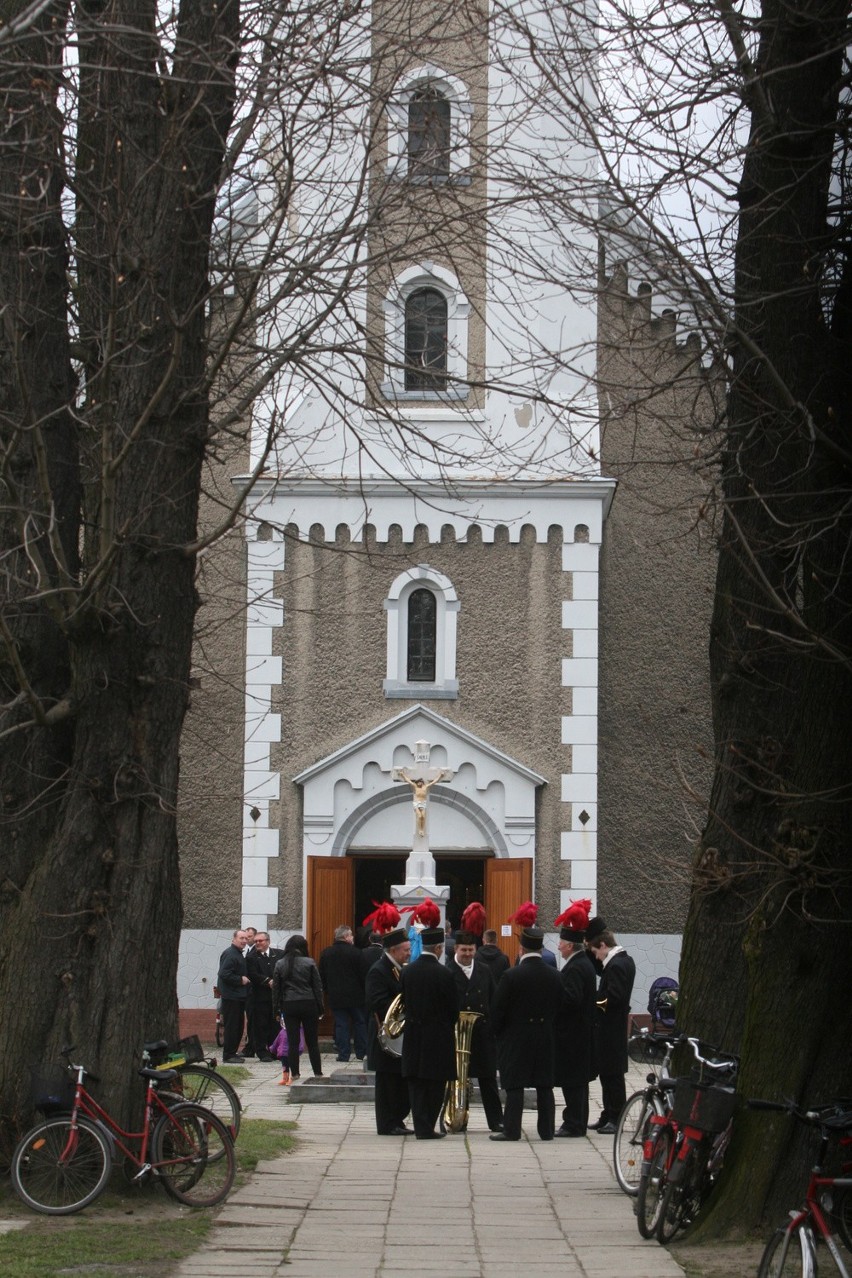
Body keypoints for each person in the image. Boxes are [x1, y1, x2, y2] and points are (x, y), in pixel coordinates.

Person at [490, 925, 563, 1142]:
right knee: (544, 1085)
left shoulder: (511, 976)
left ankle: (511, 1130)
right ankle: (547, 1130)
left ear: (521, 948)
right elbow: (561, 1006)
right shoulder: (555, 976)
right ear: (540, 948)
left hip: (516, 1036)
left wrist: (498, 1033)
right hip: (544, 1035)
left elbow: (498, 1009)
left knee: (515, 1085)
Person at [400, 926, 459, 1139]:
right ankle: (428, 1127)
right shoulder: (445, 973)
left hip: (414, 1033)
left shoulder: (407, 971)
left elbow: (403, 1002)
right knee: (435, 1083)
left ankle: (420, 1125)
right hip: (438, 1035)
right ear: (437, 948)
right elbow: (453, 1009)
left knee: (416, 1083)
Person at [585, 920, 636, 1134]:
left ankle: (616, 1116)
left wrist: (592, 1003)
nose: (596, 957)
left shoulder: (617, 965)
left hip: (612, 1029)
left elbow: (614, 997)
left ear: (604, 946)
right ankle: (608, 1114)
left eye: (596, 952)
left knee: (613, 1075)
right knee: (607, 1074)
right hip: (610, 1028)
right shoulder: (619, 961)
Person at [450, 930, 503, 1132]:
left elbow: (494, 998)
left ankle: (496, 1120)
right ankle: (457, 1118)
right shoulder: (448, 971)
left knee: (488, 1078)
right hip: (457, 1035)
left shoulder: (484, 970)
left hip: (482, 1033)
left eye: (471, 950)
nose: (468, 954)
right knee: (457, 1079)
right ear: (456, 949)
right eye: (464, 950)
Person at [553, 901, 597, 1137]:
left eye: (561, 943)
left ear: (570, 945)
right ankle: (576, 1121)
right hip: (579, 1032)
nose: (559, 947)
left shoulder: (577, 967)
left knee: (574, 1082)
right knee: (577, 1082)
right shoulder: (581, 964)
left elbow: (572, 999)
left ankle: (574, 1123)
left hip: (574, 1034)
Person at [365, 927, 414, 1135]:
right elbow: (377, 1002)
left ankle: (397, 1119)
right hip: (385, 1035)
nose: (409, 953)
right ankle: (387, 1124)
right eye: (405, 950)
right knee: (387, 1084)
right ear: (393, 950)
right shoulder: (379, 970)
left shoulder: (398, 968)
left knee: (398, 1082)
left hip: (398, 1035)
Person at [273, 935, 325, 1082]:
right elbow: (317, 987)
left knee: (293, 1041)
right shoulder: (309, 962)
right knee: (312, 1041)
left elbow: (276, 990)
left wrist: (276, 1009)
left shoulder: (280, 963)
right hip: (309, 1003)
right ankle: (318, 1072)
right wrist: (320, 1007)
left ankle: (295, 1073)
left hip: (289, 1004)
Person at [318, 925, 368, 1062]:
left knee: (341, 1024)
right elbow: (363, 975)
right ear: (346, 937)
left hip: (336, 995)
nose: (352, 938)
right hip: (356, 996)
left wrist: (327, 990)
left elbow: (321, 975)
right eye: (351, 935)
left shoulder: (326, 953)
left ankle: (343, 1054)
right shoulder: (357, 953)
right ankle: (361, 1052)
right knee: (360, 1022)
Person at [246, 931, 283, 1061]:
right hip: (259, 997)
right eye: (256, 941)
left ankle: (274, 1049)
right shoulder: (251, 957)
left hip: (275, 998)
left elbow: (282, 970)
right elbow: (253, 974)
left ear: (267, 941)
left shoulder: (278, 954)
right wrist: (268, 981)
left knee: (275, 1025)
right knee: (260, 1025)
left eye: (260, 941)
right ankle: (262, 1051)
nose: (257, 943)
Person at [217, 928, 251, 1062]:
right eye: (241, 938)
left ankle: (232, 1053)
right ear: (234, 939)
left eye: (246, 938)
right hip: (231, 996)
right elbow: (224, 974)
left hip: (237, 996)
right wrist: (240, 980)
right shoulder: (231, 954)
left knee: (238, 1026)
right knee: (233, 1026)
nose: (244, 941)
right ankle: (229, 1054)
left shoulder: (237, 953)